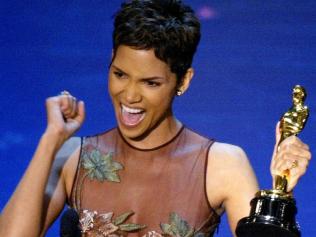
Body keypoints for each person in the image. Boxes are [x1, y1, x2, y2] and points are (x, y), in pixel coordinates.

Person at [0, 1, 311, 237]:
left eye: (150, 83)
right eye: (120, 74)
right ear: (110, 61)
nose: (130, 95)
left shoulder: (223, 164)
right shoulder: (73, 157)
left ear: (183, 81)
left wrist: (282, 193)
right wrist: (50, 141)